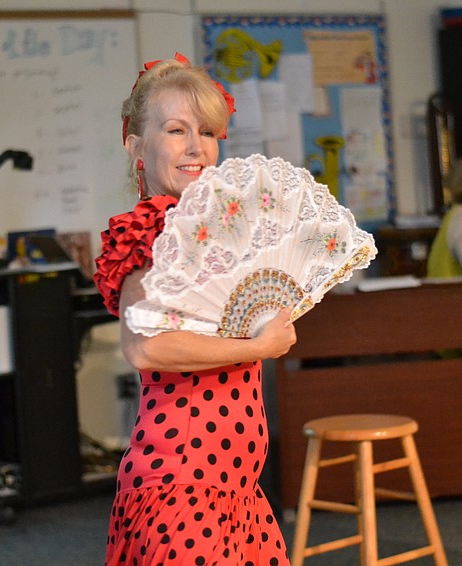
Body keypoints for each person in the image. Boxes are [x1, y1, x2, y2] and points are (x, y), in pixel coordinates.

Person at [92, 53, 297, 565]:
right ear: (137, 148)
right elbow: (145, 347)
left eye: (206, 132)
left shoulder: (213, 229)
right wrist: (258, 345)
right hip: (181, 486)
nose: (195, 147)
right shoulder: (151, 230)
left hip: (239, 488)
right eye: (176, 130)